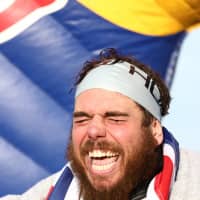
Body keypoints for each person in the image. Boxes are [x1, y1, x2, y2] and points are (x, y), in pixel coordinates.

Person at [1, 48, 200, 200]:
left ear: (154, 129)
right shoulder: (49, 193)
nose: (94, 130)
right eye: (82, 119)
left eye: (115, 118)